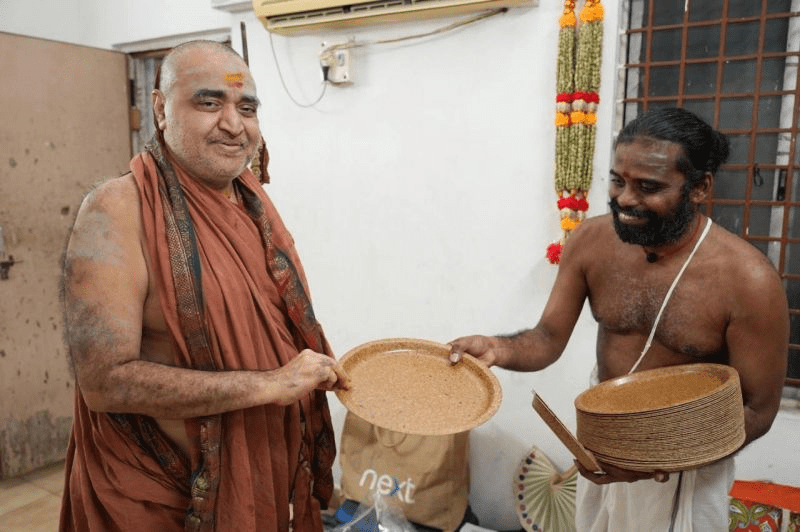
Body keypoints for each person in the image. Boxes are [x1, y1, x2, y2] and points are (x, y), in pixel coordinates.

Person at [449, 107, 789, 531]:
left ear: (699, 188)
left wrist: (655, 460)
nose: (625, 199)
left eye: (648, 187)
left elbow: (757, 410)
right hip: (603, 453)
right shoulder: (590, 242)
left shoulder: (749, 281)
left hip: (686, 467)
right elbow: (548, 337)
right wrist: (497, 348)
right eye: (617, 181)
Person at [59, 40, 350, 532]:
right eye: (209, 102)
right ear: (160, 108)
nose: (234, 124)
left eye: (247, 108)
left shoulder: (252, 205)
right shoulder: (117, 209)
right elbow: (104, 382)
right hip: (160, 495)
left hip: (256, 483)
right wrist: (269, 385)